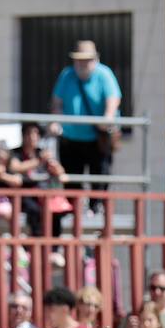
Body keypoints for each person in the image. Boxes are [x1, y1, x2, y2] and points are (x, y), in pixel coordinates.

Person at [50, 39, 121, 208]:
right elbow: (56, 102)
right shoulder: (67, 75)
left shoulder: (104, 74)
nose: (83, 63)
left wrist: (107, 118)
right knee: (71, 178)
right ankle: (75, 211)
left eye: (87, 59)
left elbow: (113, 99)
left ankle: (96, 209)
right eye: (79, 59)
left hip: (97, 138)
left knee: (100, 177)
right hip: (71, 137)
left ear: (95, 60)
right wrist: (55, 120)